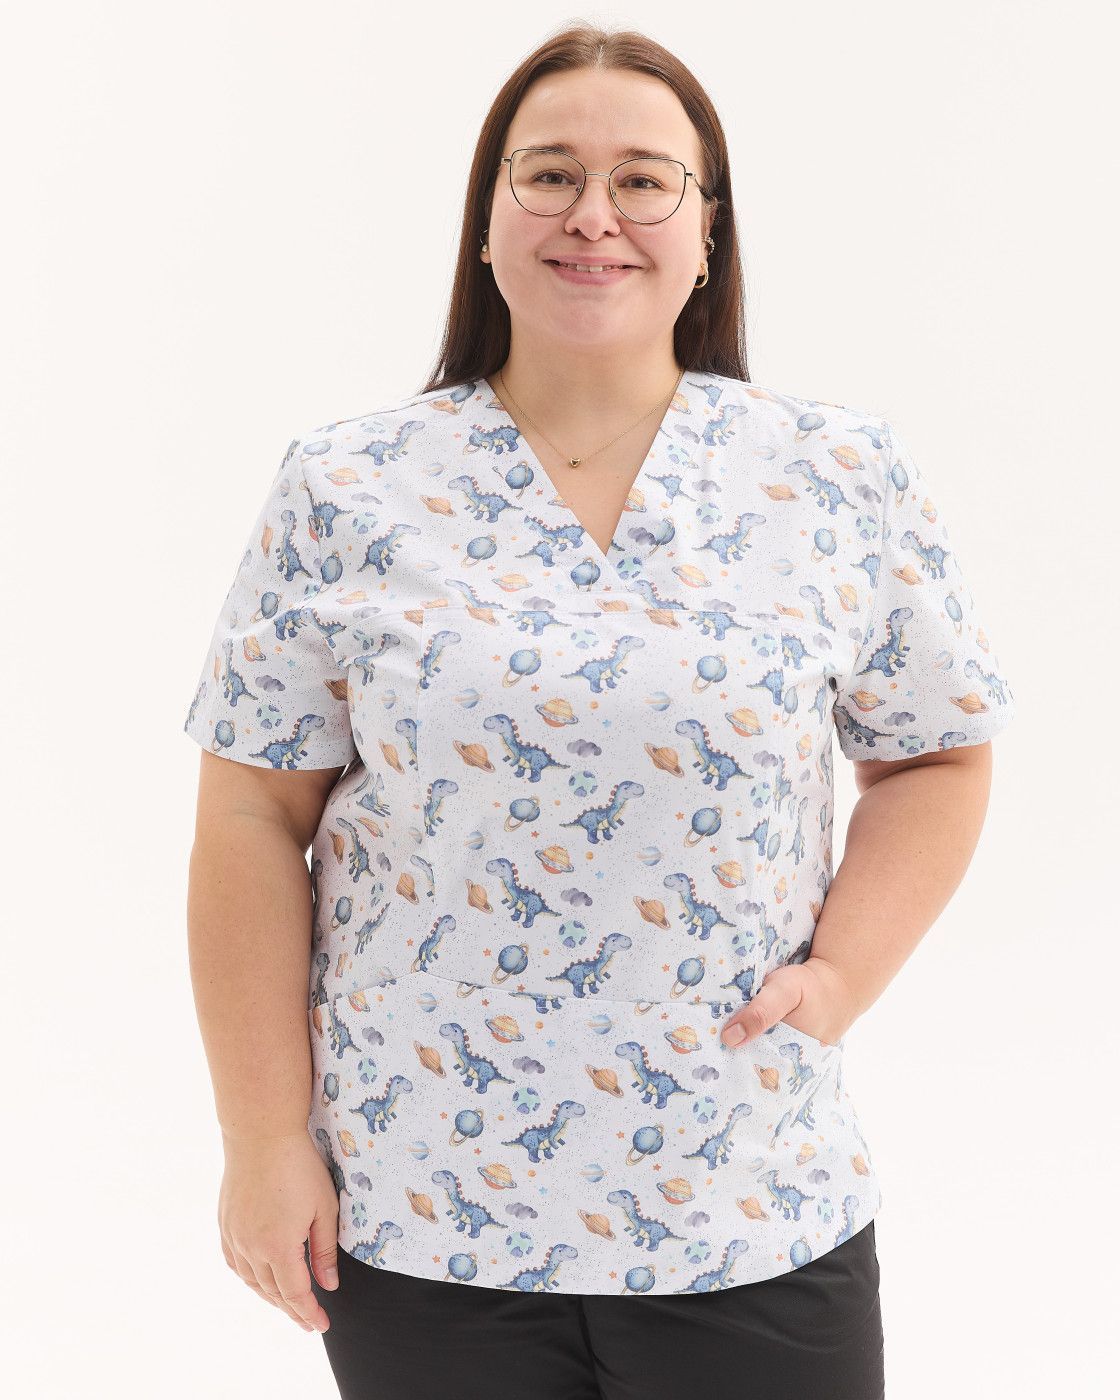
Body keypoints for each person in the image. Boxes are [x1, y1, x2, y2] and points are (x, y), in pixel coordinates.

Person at [183, 23, 1015, 1400]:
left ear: (708, 230)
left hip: (747, 1200)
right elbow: (251, 819)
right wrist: (262, 1140)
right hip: (421, 1207)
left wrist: (839, 981)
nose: (593, 215)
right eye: (550, 173)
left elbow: (938, 754)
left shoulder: (833, 475)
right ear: (487, 219)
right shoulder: (348, 486)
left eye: (643, 180)